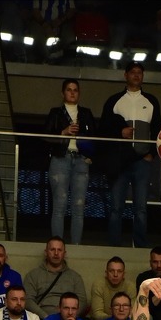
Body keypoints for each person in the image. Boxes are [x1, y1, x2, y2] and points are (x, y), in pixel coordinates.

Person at [100, 60, 161, 247]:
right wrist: (119, 132)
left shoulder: (151, 101)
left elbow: (158, 130)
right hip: (120, 162)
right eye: (133, 72)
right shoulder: (114, 100)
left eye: (139, 72)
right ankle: (114, 247)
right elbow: (103, 129)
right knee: (116, 207)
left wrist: (152, 153)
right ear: (125, 75)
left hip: (142, 161)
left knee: (141, 208)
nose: (136, 75)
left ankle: (141, 247)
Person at [43, 78, 96, 245]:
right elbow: (45, 137)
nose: (72, 93)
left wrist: (90, 155)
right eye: (69, 89)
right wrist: (63, 132)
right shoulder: (55, 112)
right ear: (62, 93)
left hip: (81, 159)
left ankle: (76, 246)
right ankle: (57, 246)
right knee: (60, 204)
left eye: (75, 90)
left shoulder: (86, 113)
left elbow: (95, 136)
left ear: (79, 93)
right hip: (61, 158)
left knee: (79, 206)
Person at [23, 237, 88, 320]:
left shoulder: (75, 277)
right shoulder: (33, 275)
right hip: (41, 319)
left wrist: (68, 316)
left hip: (69, 319)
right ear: (46, 252)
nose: (56, 253)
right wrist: (46, 317)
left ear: (64, 253)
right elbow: (28, 300)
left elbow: (82, 301)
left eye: (59, 250)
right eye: (52, 249)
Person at [89, 256, 136, 320]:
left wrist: (119, 318)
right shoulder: (98, 285)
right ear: (106, 273)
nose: (115, 275)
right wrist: (117, 318)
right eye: (111, 271)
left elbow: (132, 313)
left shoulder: (130, 287)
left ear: (123, 274)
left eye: (119, 271)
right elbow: (97, 314)